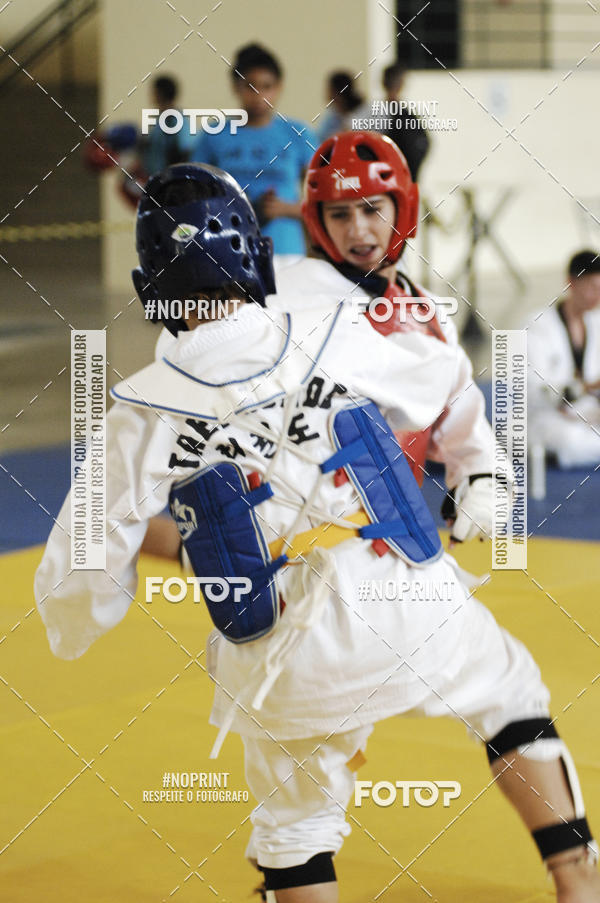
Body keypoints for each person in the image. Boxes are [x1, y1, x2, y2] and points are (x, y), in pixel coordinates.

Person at [34, 163, 600, 903]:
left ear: (150, 290)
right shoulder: (330, 324)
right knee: (511, 697)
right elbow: (447, 377)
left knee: (296, 824)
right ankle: (576, 875)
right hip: (409, 593)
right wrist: (480, 476)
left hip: (282, 649)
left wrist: (107, 600)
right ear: (257, 260)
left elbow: (81, 573)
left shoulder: (140, 414)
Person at [192, 43, 316, 256]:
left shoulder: (298, 134)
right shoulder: (215, 134)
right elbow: (195, 193)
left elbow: (327, 201)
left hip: (285, 253)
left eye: (267, 86)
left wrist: (286, 209)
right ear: (236, 87)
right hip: (229, 252)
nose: (259, 96)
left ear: (279, 87)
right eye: (250, 86)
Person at [527, 250, 600, 469]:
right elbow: (534, 390)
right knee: (573, 441)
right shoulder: (537, 326)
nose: (597, 295)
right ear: (571, 283)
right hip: (544, 416)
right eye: (592, 288)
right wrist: (586, 387)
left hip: (586, 413)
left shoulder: (595, 323)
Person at [380, 63, 430, 181]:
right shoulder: (402, 114)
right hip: (399, 176)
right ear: (402, 84)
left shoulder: (373, 112)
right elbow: (418, 146)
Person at [316, 71, 368, 142]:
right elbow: (320, 138)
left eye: (330, 90)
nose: (327, 94)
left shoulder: (364, 112)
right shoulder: (332, 115)